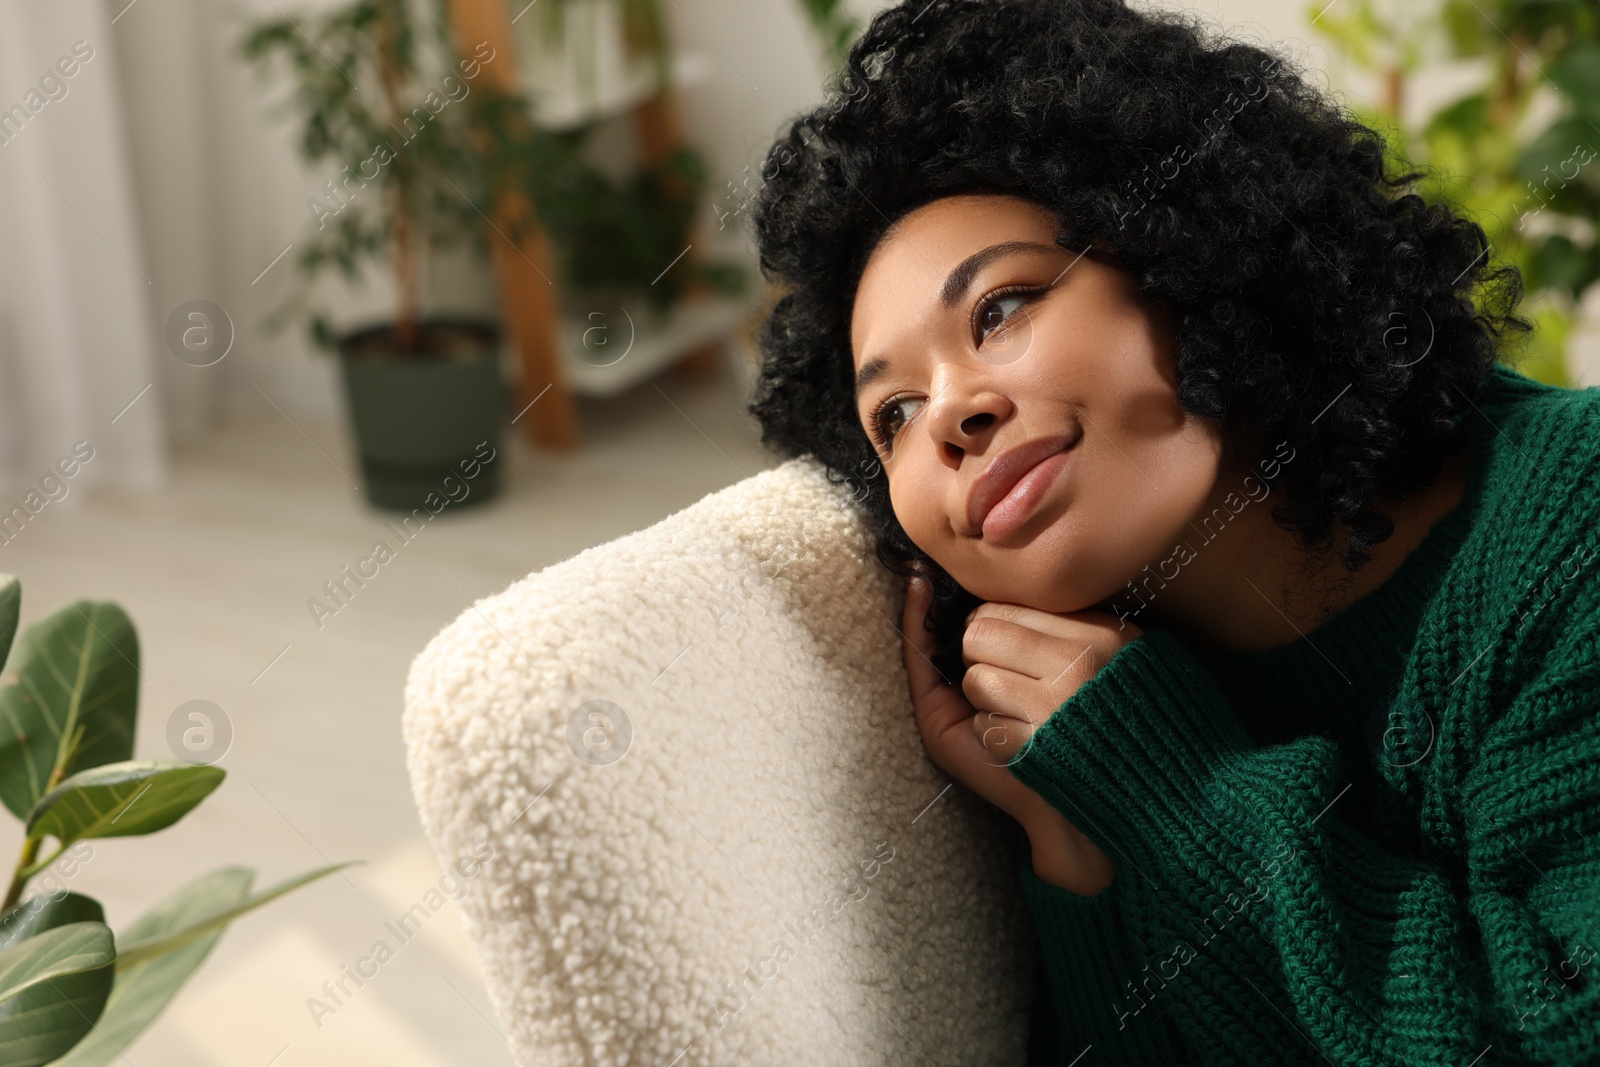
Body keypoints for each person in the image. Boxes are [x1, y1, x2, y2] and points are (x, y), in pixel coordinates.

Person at [743, 0, 1600, 1062]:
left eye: (1001, 308)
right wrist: (1077, 843)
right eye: (894, 415)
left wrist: (1181, 794)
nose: (952, 413)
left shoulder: (1574, 528)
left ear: (1196, 262)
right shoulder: (1109, 692)